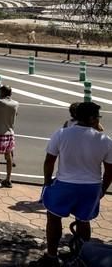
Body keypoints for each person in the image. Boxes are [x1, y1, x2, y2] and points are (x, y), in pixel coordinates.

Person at [33, 102, 112, 266]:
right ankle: (81, 256)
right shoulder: (105, 140)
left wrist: (47, 181)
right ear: (91, 118)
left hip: (64, 185)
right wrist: (102, 189)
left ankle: (52, 256)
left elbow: (49, 161)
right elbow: (110, 170)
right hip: (91, 188)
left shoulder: (62, 134)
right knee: (84, 221)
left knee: (53, 218)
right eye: (98, 116)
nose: (98, 119)